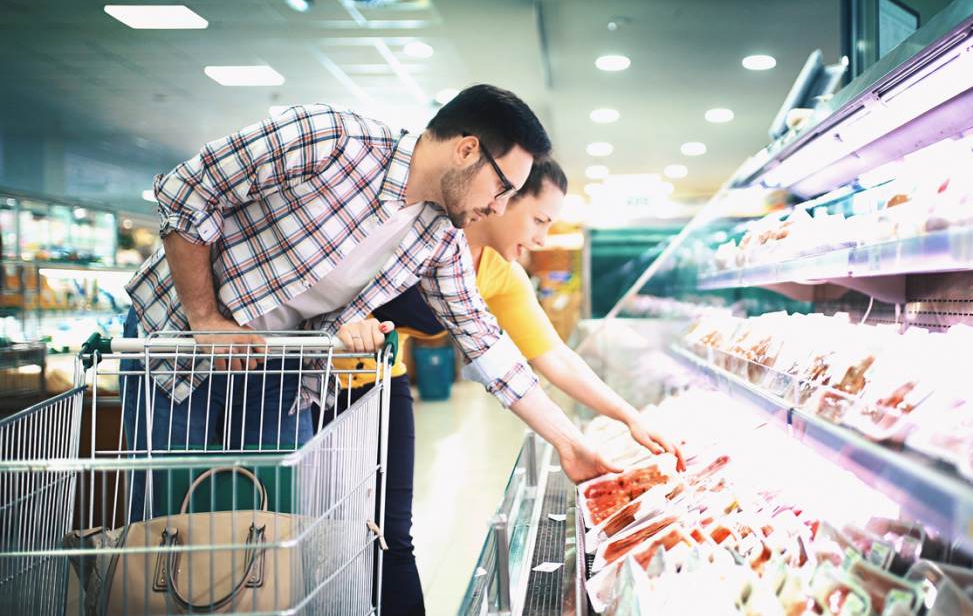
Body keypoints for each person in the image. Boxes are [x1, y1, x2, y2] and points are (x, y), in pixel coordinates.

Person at [121, 85, 621, 524]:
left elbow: (487, 344)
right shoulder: (332, 138)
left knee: (266, 534)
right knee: (166, 526)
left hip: (278, 368)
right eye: (502, 188)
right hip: (176, 348)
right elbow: (189, 189)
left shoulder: (437, 236)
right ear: (468, 150)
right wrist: (206, 318)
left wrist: (569, 444)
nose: (499, 207)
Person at [326, 159, 684, 616]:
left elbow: (552, 355)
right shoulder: (416, 233)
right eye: (538, 220)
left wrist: (629, 417)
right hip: (309, 375)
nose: (541, 238)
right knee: (328, 529)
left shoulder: (498, 271)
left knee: (392, 532)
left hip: (381, 379)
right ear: (503, 196)